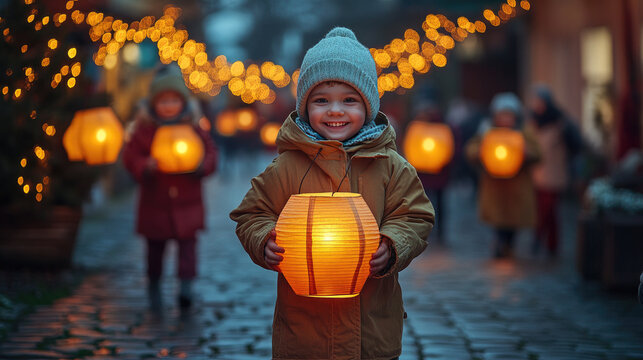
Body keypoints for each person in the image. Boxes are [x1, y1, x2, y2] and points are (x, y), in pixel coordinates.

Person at [229, 27, 434, 359]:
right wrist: (263, 238)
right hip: (304, 332)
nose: (335, 110)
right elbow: (251, 213)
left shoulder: (390, 166)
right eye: (321, 100)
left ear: (367, 105)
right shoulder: (288, 165)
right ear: (304, 105)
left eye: (349, 100)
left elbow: (415, 215)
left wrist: (393, 243)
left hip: (370, 330)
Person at [122, 64, 218, 312]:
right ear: (154, 103)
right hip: (156, 203)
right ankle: (154, 285)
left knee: (188, 248)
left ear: (183, 102)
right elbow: (130, 156)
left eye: (174, 100)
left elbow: (211, 153)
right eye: (163, 101)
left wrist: (201, 166)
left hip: (188, 202)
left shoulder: (195, 128)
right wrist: (146, 165)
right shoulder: (145, 130)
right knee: (155, 249)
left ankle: (186, 287)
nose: (169, 106)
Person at [465, 93, 540, 258]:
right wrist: (480, 152)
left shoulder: (523, 133)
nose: (505, 119)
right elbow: (471, 149)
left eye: (509, 115)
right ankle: (499, 244)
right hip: (495, 186)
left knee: (512, 221)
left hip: (517, 186)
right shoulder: (487, 132)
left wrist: (527, 152)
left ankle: (508, 244)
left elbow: (538, 153)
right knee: (498, 220)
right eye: (502, 115)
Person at [528, 85, 582, 256]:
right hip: (537, 173)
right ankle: (548, 243)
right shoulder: (533, 121)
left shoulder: (560, 122)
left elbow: (576, 145)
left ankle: (542, 240)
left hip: (555, 173)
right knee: (544, 210)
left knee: (549, 209)